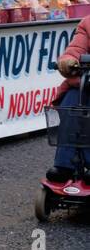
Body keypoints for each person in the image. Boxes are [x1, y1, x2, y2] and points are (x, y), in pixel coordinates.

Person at [47, 15, 90, 182]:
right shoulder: (87, 23)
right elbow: (74, 50)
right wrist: (67, 62)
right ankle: (64, 165)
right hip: (86, 83)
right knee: (71, 101)